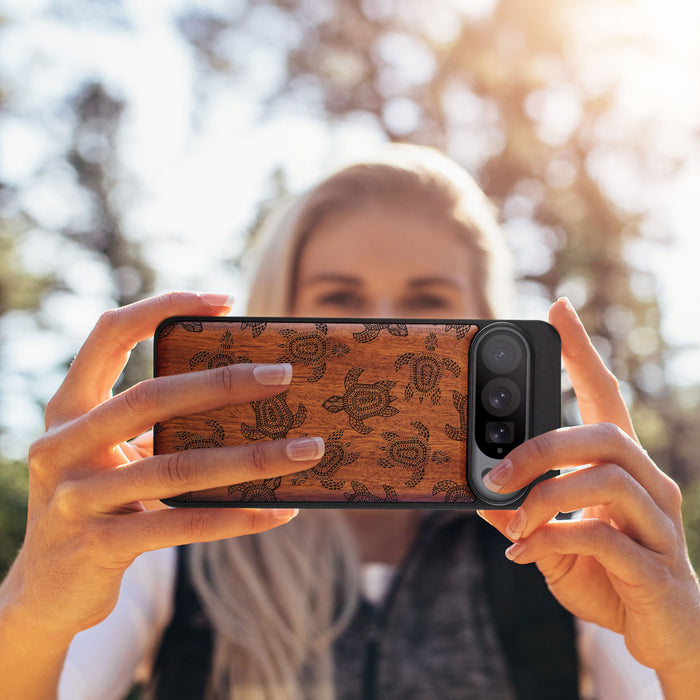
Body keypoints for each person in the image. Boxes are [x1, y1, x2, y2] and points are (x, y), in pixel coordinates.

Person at [0, 145, 698, 700]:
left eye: (427, 302)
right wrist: (34, 607)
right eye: (339, 299)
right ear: (278, 315)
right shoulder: (171, 535)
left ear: (487, 323)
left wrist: (685, 648)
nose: (382, 329)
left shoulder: (567, 543)